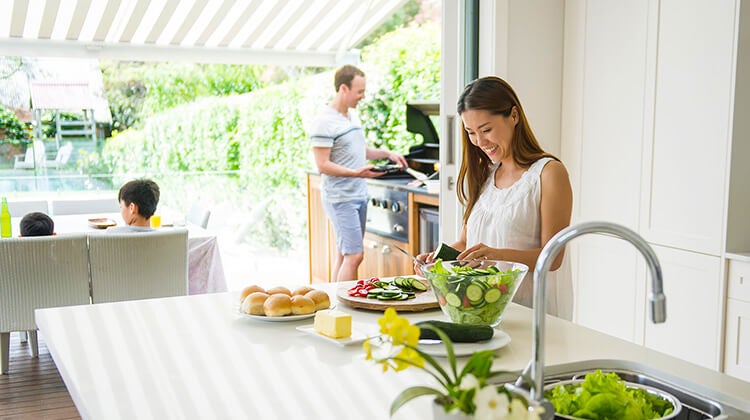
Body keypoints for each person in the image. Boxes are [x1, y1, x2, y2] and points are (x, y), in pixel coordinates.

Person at [416, 76, 574, 319]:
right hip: (480, 310)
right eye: (471, 133)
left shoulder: (548, 173)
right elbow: (467, 245)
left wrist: (497, 255)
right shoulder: (485, 174)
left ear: (513, 115)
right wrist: (434, 261)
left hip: (531, 314)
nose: (480, 142)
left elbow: (553, 257)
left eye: (486, 130)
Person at [310, 64, 408, 282]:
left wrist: (387, 153)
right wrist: (357, 174)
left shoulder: (351, 117)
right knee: (355, 256)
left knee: (344, 254)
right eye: (359, 91)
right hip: (341, 198)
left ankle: (335, 305)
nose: (363, 97)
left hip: (358, 195)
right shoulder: (324, 121)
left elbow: (358, 151)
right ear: (343, 89)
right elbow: (322, 165)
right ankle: (347, 309)